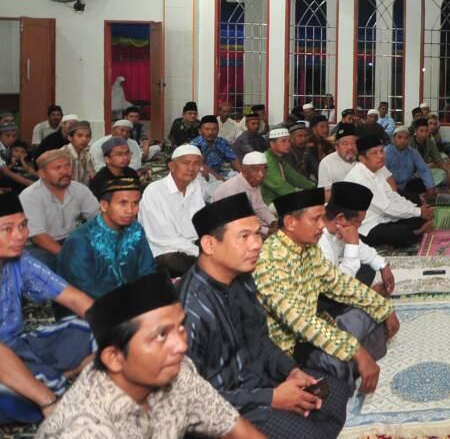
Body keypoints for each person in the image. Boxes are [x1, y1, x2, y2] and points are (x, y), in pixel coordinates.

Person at [179, 193, 349, 439]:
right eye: (244, 237)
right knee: (307, 432)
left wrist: (290, 371)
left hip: (257, 383)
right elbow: (190, 400)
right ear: (209, 245)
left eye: (258, 233)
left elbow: (259, 340)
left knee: (334, 391)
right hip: (225, 411)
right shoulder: (188, 311)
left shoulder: (241, 278)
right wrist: (271, 399)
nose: (257, 244)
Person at [36, 272, 263, 438]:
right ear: (114, 358)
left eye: (180, 327)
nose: (181, 346)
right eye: (162, 335)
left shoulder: (176, 370)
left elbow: (235, 428)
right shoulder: (85, 429)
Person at [253, 188, 398, 394]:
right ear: (290, 223)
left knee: (366, 313)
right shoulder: (271, 261)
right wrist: (356, 351)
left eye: (322, 217)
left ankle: (348, 365)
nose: (322, 226)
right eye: (316, 219)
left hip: (312, 332)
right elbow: (302, 322)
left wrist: (384, 307)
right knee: (338, 363)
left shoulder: (307, 248)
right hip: (288, 353)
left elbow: (339, 283)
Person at [0, 192, 94, 426]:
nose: (20, 235)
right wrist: (48, 400)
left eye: (23, 225)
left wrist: (123, 334)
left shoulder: (20, 260)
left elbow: (75, 300)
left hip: (18, 345)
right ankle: (49, 380)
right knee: (20, 396)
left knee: (92, 327)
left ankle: (47, 377)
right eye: (7, 229)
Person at [58, 175, 155, 298]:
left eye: (135, 203)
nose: (130, 210)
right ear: (104, 205)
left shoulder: (135, 229)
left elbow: (148, 269)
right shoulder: (81, 240)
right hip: (89, 307)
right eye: (123, 203)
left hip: (132, 300)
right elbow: (85, 287)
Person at [346, 134, 432, 248]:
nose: (381, 156)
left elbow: (392, 195)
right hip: (365, 225)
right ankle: (417, 233)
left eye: (381, 151)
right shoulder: (359, 178)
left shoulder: (378, 168)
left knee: (417, 219)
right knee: (401, 233)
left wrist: (417, 209)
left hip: (383, 217)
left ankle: (403, 235)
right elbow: (386, 207)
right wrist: (419, 211)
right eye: (374, 153)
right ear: (362, 158)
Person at [19, 150, 99, 271]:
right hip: (40, 246)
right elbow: (38, 237)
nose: (64, 171)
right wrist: (68, 256)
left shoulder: (80, 189)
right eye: (57, 168)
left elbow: (98, 219)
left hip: (72, 240)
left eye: (67, 165)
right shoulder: (30, 196)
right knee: (42, 268)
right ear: (42, 173)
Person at [138, 145, 207, 277]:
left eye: (196, 163)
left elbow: (201, 222)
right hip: (164, 250)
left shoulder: (195, 186)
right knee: (173, 262)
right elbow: (162, 238)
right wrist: (198, 252)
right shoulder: (154, 191)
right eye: (186, 163)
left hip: (192, 246)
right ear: (172, 166)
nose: (191, 168)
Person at [320, 182, 395, 294]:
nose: (359, 226)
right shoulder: (317, 238)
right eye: (358, 221)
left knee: (367, 269)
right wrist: (368, 294)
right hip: (321, 291)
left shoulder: (337, 224)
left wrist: (383, 266)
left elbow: (359, 246)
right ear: (340, 218)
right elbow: (339, 288)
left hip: (334, 277)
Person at [211, 151, 278, 234]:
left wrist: (273, 221)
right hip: (228, 229)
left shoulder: (253, 182)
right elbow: (239, 222)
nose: (261, 175)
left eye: (264, 169)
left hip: (248, 223)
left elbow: (259, 206)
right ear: (244, 170)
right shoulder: (233, 189)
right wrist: (267, 231)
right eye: (256, 170)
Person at [261, 128, 316, 204]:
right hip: (269, 203)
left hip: (281, 198)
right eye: (283, 141)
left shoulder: (278, 158)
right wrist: (301, 198)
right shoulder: (266, 160)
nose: (288, 144)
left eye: (289, 141)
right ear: (272, 143)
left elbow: (295, 178)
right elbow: (280, 185)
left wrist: (316, 187)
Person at [384, 126, 435, 205]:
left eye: (406, 138)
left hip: (407, 184)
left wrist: (430, 188)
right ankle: (416, 198)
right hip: (390, 187)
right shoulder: (386, 152)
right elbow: (382, 176)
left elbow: (424, 170)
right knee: (415, 201)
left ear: (409, 139)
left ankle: (414, 197)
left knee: (427, 183)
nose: (403, 141)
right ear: (393, 139)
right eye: (399, 137)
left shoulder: (413, 152)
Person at [192, 115, 242, 184]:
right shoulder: (194, 146)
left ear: (218, 130)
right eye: (207, 129)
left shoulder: (222, 142)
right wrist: (222, 180)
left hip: (224, 172)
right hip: (205, 176)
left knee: (238, 179)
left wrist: (242, 175)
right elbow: (202, 167)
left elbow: (233, 159)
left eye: (214, 129)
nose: (210, 132)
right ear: (200, 131)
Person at [412, 118, 450, 186]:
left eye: (426, 131)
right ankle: (424, 185)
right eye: (421, 131)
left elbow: (438, 159)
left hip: (423, 171)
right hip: (411, 173)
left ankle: (425, 185)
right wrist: (431, 165)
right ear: (416, 131)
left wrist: (448, 171)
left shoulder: (429, 142)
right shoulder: (410, 142)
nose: (424, 134)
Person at [317, 124, 360, 188]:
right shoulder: (327, 163)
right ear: (337, 147)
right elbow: (325, 192)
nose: (350, 147)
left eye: (353, 143)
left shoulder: (367, 159)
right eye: (345, 143)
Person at [1, 124, 34, 193]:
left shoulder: (9, 147)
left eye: (14, 136)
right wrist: (30, 183)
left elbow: (29, 169)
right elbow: (5, 171)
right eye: (7, 135)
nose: (11, 139)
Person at [61, 120, 95, 185]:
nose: (84, 139)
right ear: (70, 137)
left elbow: (93, 176)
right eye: (80, 136)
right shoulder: (62, 154)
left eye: (87, 136)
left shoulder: (87, 155)